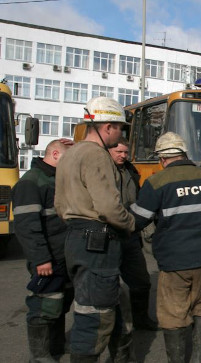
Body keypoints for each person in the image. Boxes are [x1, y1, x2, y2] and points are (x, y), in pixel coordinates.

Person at [130, 132, 201, 363]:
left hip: (175, 261)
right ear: (184, 153)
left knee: (173, 314)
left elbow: (137, 221)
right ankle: (200, 358)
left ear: (162, 158)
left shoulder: (156, 182)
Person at [55, 96, 135, 362]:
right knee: (95, 317)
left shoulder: (71, 154)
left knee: (97, 307)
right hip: (98, 242)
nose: (121, 134)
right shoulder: (96, 154)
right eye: (120, 128)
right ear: (108, 126)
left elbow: (59, 204)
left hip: (76, 239)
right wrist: (130, 224)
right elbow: (110, 207)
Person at [12, 139, 73, 362]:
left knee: (60, 302)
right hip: (48, 259)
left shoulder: (57, 179)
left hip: (63, 256)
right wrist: (41, 259)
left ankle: (56, 347)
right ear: (55, 154)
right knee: (43, 306)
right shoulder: (31, 183)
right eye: (68, 159)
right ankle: (39, 356)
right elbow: (27, 227)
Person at [108, 138, 159, 332]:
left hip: (130, 234)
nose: (122, 155)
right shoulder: (101, 169)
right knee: (109, 285)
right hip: (109, 234)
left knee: (141, 281)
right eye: (118, 152)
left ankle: (141, 320)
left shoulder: (130, 170)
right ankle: (114, 327)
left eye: (125, 152)